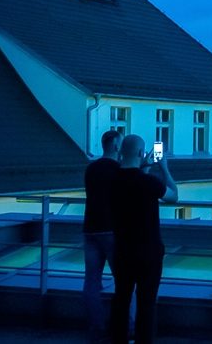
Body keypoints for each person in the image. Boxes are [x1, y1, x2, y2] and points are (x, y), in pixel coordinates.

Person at [110, 134, 178, 344]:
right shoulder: (149, 182)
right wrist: (164, 167)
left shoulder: (112, 180)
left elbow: (130, 182)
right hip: (148, 251)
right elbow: (173, 196)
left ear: (121, 151)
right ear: (141, 153)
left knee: (121, 298)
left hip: (122, 249)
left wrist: (142, 168)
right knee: (146, 303)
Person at [83, 130, 122, 342]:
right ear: (116, 146)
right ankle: (127, 326)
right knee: (124, 280)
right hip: (112, 230)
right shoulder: (118, 170)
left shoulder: (91, 168)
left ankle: (96, 328)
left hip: (90, 229)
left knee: (91, 281)